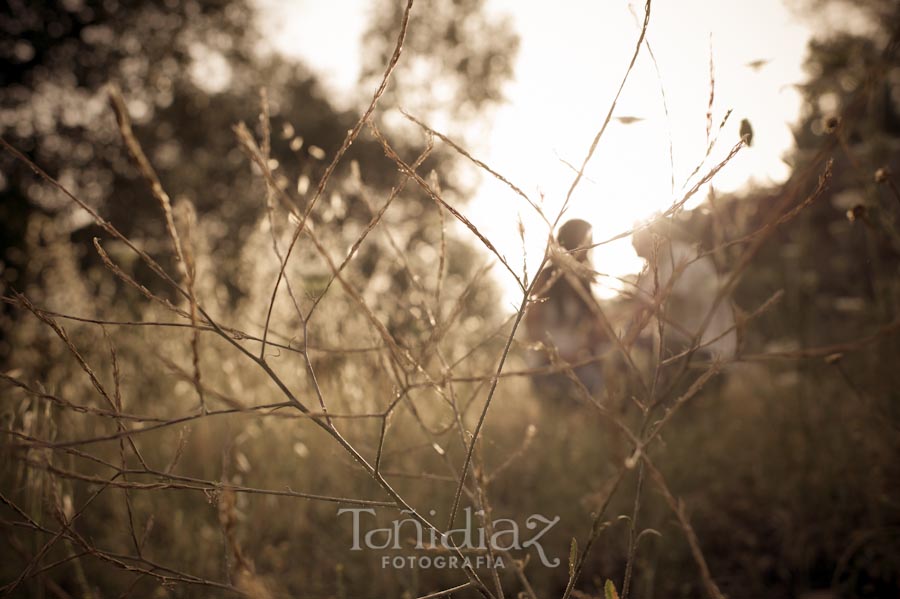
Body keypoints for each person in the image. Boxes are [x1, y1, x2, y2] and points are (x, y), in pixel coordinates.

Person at [522, 219, 609, 399]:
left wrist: (584, 350)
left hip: (576, 363)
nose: (591, 247)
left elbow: (599, 328)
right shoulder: (545, 277)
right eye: (587, 242)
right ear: (574, 242)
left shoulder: (583, 283)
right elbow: (531, 326)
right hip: (546, 363)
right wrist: (555, 355)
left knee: (594, 383)